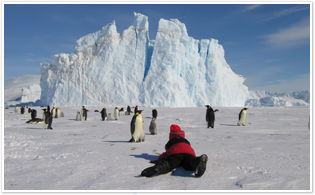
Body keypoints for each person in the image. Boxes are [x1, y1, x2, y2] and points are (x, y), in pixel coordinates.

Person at [141, 124, 208, 178]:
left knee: (170, 163)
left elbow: (167, 154)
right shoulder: (186, 141)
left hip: (175, 154)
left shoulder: (171, 142)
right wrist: (193, 157)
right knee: (189, 164)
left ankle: (159, 167)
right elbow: (189, 149)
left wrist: (158, 160)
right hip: (189, 153)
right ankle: (198, 161)